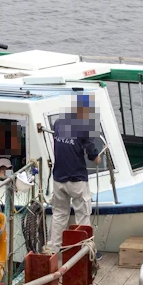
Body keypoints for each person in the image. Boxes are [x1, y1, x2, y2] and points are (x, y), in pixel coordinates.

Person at [46, 95, 103, 254]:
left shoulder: (58, 122)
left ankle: (53, 250)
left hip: (58, 178)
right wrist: (97, 158)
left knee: (59, 214)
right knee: (83, 215)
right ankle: (85, 251)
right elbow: (92, 152)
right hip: (76, 178)